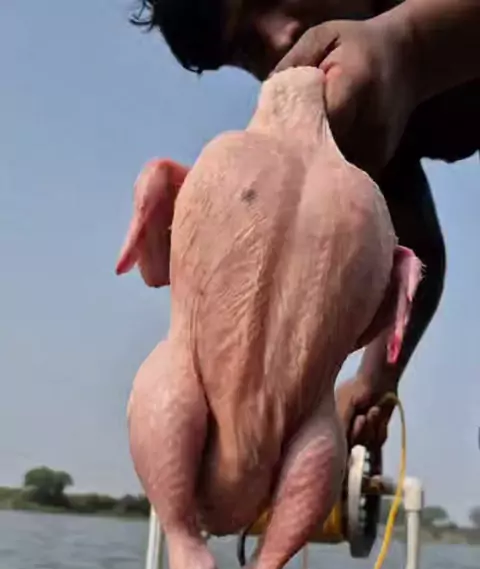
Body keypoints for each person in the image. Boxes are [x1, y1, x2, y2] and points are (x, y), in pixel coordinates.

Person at [129, 0, 479, 455]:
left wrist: (412, 46)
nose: (281, 37)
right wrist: (374, 380)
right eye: (248, 48)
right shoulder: (362, 95)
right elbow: (419, 254)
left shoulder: (390, 47)